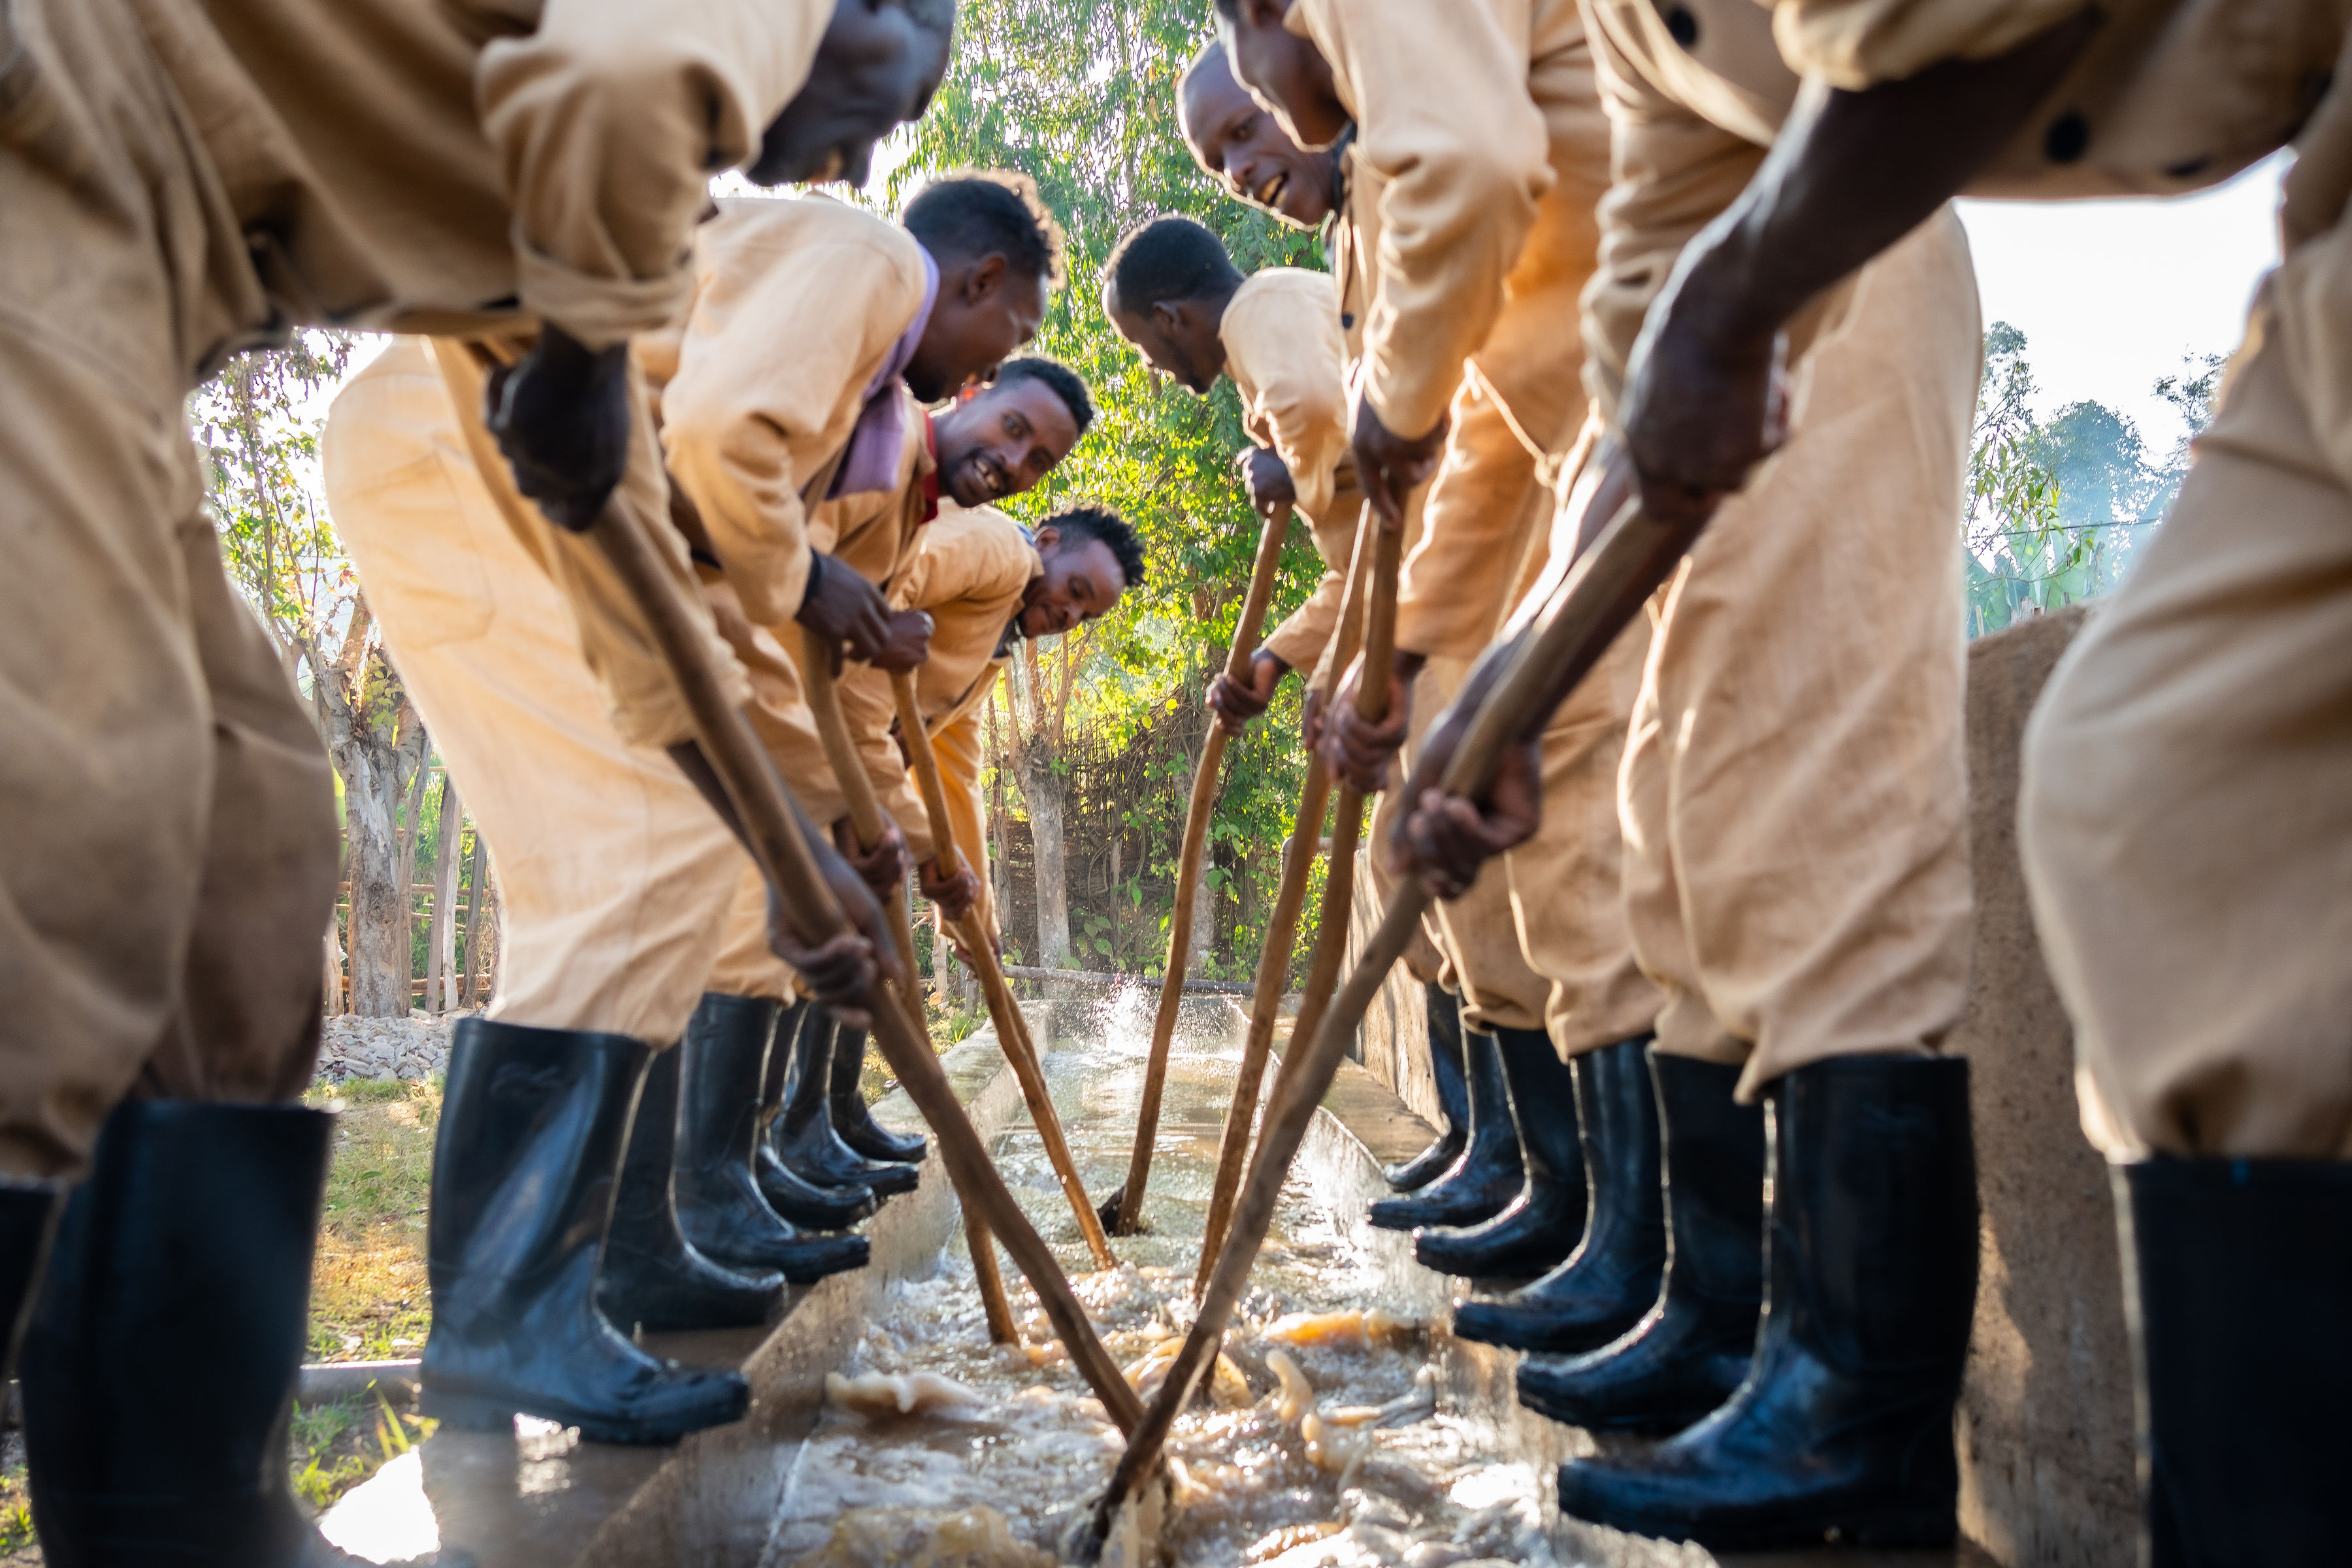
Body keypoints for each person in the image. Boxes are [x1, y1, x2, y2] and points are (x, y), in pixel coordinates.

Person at [3, 0, 951, 1557]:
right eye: (872, 100)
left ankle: (178, 1521)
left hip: (137, 299)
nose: (848, 158)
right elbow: (627, 91)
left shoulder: (595, 238)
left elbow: (628, 571)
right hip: (45, 190)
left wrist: (791, 854)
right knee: (77, 840)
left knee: (247, 859)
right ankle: (488, 1333)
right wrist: (586, 345)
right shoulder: (725, 130)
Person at [1496, 3, 2345, 1558]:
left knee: (1845, 832)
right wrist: (1503, 702)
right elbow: (1649, 355)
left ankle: (1844, 1404)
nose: (1257, 165)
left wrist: (1737, 297)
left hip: (1850, 262)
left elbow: (1949, 32)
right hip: (1839, 270)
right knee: (2154, 779)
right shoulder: (1627, 30)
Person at [319, 169, 1062, 1458]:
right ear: (981, 284)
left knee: (678, 865)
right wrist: (813, 592)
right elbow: (725, 470)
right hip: (470, 447)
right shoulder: (875, 265)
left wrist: (815, 820)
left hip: (508, 462)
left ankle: (629, 1259)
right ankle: (505, 1317)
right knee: (636, 859)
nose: (1000, 405)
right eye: (1012, 352)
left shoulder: (865, 411)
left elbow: (745, 628)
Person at [1210, 0, 1665, 1289]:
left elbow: (1403, 431)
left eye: (1244, 128)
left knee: (1609, 869)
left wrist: (1365, 644)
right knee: (1529, 897)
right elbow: (1468, 432)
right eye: (1224, 165)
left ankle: (1651, 1265)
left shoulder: (1298, 276)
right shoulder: (1368, 216)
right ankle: (1588, 1219)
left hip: (1680, 409)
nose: (1253, 164)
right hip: (1592, 459)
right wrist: (1393, 656)